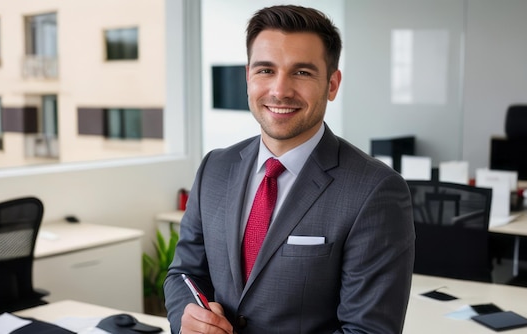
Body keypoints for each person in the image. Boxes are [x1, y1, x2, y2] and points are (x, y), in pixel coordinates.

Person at [164, 5, 415, 333]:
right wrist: (189, 321)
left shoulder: (375, 190)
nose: (280, 90)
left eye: (302, 72)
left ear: (332, 84)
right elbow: (184, 274)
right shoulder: (215, 167)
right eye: (265, 70)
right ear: (248, 76)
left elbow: (368, 330)